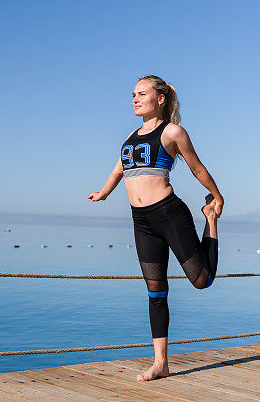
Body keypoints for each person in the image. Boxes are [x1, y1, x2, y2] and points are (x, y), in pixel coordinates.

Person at [88, 75, 223, 382]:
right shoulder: (131, 136)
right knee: (155, 292)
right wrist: (104, 192)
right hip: (142, 221)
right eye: (133, 94)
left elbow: (196, 166)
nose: (135, 99)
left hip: (169, 214)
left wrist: (217, 197)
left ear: (159, 99)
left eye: (141, 94)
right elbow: (120, 167)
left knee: (201, 281)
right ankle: (160, 362)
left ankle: (210, 222)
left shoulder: (172, 131)